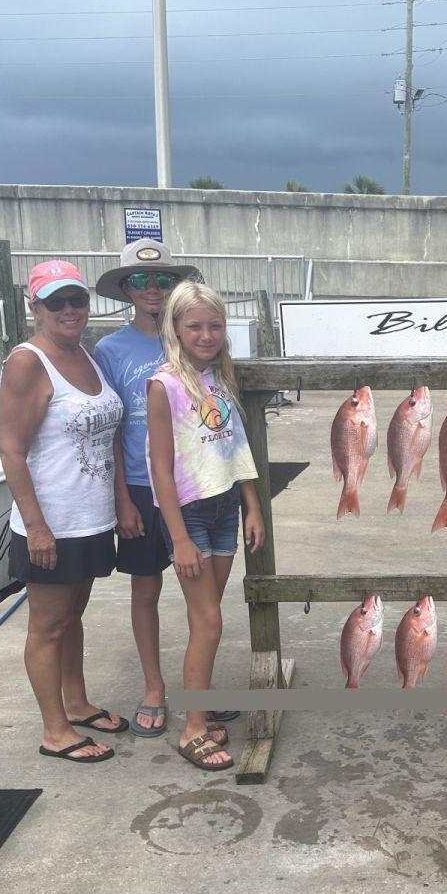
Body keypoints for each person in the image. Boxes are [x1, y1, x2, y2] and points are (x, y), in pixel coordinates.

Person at [0, 260, 128, 763]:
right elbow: (11, 450)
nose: (70, 310)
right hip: (51, 523)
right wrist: (36, 527)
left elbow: (109, 437)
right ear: (36, 308)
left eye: (77, 300)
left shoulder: (86, 357)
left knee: (74, 615)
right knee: (47, 626)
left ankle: (76, 703)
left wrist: (118, 503)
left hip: (90, 519)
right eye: (56, 302)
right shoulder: (28, 362)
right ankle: (54, 730)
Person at [146, 281, 265, 770]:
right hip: (190, 514)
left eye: (214, 325)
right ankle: (192, 726)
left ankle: (202, 702)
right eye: (194, 325)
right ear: (175, 327)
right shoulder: (164, 385)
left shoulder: (220, 376)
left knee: (208, 618)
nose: (206, 334)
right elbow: (159, 468)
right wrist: (178, 538)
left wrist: (252, 504)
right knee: (209, 622)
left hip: (224, 510)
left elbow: (236, 446)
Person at [92, 240, 204, 737]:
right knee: (146, 589)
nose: (153, 289)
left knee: (204, 594)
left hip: (196, 485)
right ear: (125, 289)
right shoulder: (110, 350)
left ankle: (199, 690)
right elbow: (111, 428)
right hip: (140, 486)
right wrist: (121, 497)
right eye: (140, 280)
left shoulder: (193, 338)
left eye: (162, 280)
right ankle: (154, 685)